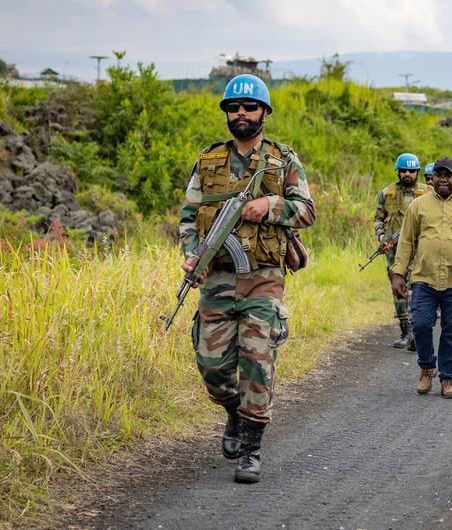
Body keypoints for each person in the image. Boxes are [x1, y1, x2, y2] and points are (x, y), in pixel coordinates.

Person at [178, 74, 316, 483]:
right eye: (233, 107)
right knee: (213, 368)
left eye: (249, 107)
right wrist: (191, 256)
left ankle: (252, 449)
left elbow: (307, 211)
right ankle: (232, 415)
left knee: (258, 362)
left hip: (263, 279)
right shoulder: (207, 161)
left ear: (264, 113)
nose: (241, 113)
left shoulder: (283, 160)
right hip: (216, 278)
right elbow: (189, 217)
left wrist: (271, 204)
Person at [391, 157, 452, 399]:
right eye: (439, 174)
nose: (443, 178)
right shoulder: (418, 206)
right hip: (424, 278)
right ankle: (427, 367)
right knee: (422, 324)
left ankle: (449, 379)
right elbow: (406, 241)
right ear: (432, 178)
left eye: (448, 175)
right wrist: (398, 273)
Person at [374, 153, 428, 350]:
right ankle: (405, 331)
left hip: (420, 250)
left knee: (419, 290)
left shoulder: (428, 193)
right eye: (404, 170)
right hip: (394, 251)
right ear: (398, 171)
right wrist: (381, 237)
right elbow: (378, 219)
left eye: (411, 171)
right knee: (398, 290)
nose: (407, 174)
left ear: (417, 172)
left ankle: (417, 331)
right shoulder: (387, 193)